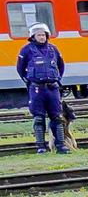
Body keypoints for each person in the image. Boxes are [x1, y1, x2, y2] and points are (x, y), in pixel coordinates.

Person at [16, 22, 69, 154]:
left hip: (52, 89)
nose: (42, 37)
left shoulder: (54, 49)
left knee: (57, 117)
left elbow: (61, 66)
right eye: (39, 35)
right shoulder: (26, 50)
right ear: (33, 36)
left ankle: (61, 146)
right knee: (38, 118)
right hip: (36, 89)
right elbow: (20, 68)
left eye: (43, 35)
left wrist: (57, 79)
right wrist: (29, 81)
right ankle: (40, 147)